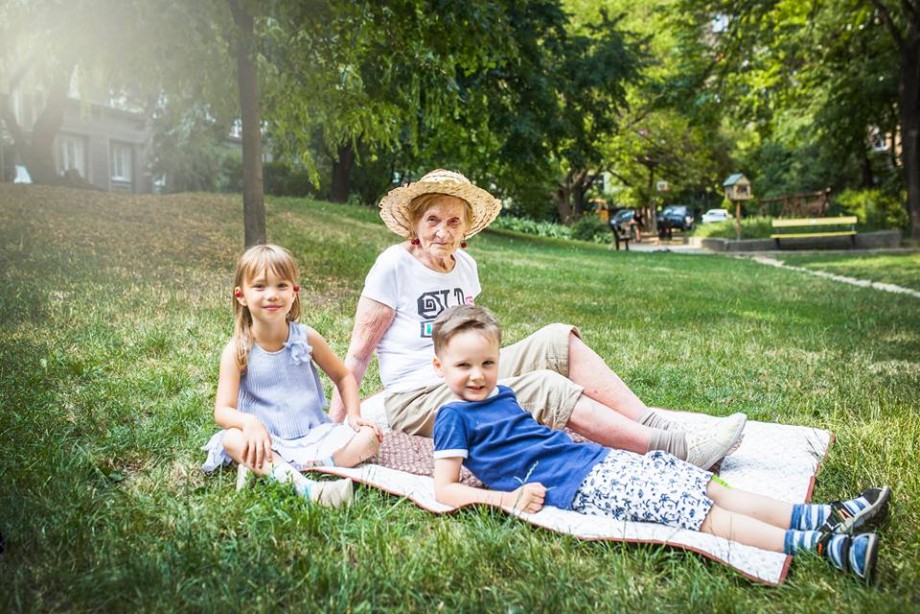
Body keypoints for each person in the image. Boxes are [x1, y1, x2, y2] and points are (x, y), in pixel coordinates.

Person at [431, 305, 890, 583]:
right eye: (464, 365)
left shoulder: (505, 393)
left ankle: (825, 515)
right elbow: (445, 489)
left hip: (597, 460)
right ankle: (819, 545)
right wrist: (507, 498)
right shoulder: (452, 416)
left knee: (703, 485)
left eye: (488, 362)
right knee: (699, 514)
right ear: (440, 368)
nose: (477, 375)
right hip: (581, 488)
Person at [330, 168, 745, 470]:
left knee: (556, 339)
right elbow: (357, 356)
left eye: (453, 220)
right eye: (432, 219)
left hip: (464, 374)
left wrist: (499, 368)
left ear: (466, 228)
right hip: (416, 398)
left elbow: (474, 338)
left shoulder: (465, 266)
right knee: (543, 387)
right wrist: (335, 427)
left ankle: (660, 424)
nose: (443, 230)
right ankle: (674, 449)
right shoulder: (393, 267)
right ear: (415, 226)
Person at [203, 244, 382, 508]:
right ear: (241, 295)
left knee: (369, 438)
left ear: (294, 292)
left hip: (313, 433)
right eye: (260, 287)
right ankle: (308, 489)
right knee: (231, 439)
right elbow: (223, 411)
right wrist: (249, 423)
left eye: (282, 286)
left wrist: (354, 416)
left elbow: (343, 376)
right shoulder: (237, 350)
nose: (272, 295)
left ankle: (302, 467)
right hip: (266, 440)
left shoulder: (306, 337)